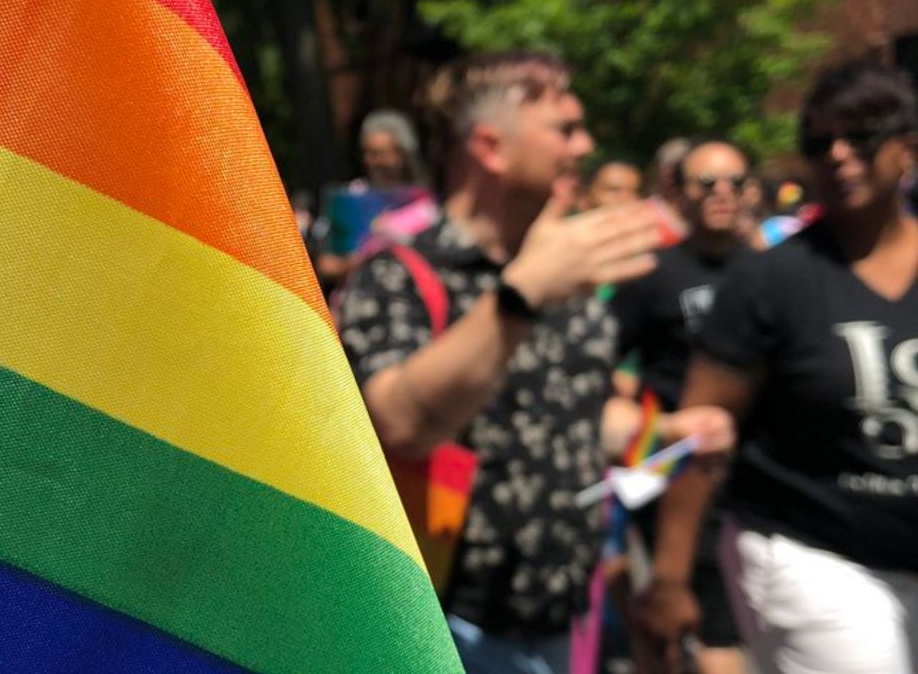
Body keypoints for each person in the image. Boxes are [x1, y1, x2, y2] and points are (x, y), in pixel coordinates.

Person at [337, 51, 663, 674]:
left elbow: (572, 411)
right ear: (490, 146)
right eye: (565, 129)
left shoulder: (567, 271)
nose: (585, 145)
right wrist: (521, 296)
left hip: (564, 618)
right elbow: (400, 423)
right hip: (443, 629)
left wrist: (661, 432)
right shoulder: (399, 273)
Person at [640, 60, 918, 673]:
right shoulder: (770, 281)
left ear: (907, 147)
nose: (839, 155)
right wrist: (668, 578)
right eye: (819, 143)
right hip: (811, 553)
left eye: (861, 136)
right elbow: (701, 431)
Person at [610, 139, 754, 674]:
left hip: (749, 478)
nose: (722, 194)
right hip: (670, 473)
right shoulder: (653, 274)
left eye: (735, 183)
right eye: (706, 183)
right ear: (679, 192)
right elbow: (605, 358)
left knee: (721, 620)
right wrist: (631, 421)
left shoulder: (772, 274)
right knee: (670, 623)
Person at [314, 109, 437, 289]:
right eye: (367, 153)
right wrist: (351, 264)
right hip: (356, 302)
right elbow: (324, 264)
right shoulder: (350, 198)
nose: (372, 161)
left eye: (380, 153)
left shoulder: (425, 203)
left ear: (402, 154)